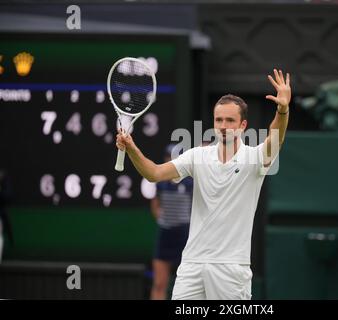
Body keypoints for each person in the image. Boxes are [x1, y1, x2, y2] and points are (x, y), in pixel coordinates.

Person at [117, 69, 291, 299]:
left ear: (243, 125)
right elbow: (154, 173)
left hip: (231, 268)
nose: (223, 125)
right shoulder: (197, 156)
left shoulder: (255, 158)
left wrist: (282, 110)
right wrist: (131, 148)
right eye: (219, 119)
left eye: (230, 120)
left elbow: (275, 137)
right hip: (192, 265)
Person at [150, 144, 193, 300]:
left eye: (175, 158)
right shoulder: (160, 183)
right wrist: (163, 219)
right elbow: (155, 204)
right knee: (159, 283)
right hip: (165, 235)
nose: (171, 161)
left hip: (185, 236)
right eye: (168, 157)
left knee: (190, 285)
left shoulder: (190, 183)